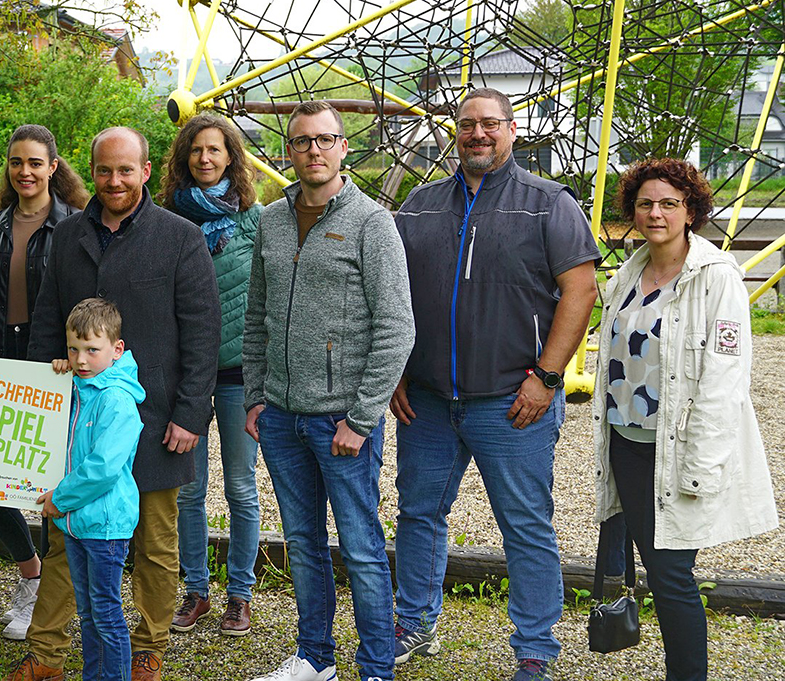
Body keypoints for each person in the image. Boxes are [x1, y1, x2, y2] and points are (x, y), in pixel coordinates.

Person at [390, 87, 600, 681]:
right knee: (418, 514)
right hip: (428, 400)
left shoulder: (547, 202)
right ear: (454, 132)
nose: (477, 134)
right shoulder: (421, 204)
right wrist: (399, 369)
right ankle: (415, 621)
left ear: (512, 130)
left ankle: (534, 647)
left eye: (490, 124)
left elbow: (580, 291)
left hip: (513, 401)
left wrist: (547, 377)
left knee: (525, 524)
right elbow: (393, 296)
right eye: (466, 124)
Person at [5, 126, 220, 681]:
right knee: (63, 538)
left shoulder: (180, 237)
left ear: (146, 172)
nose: (115, 181)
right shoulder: (69, 234)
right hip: (80, 420)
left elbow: (202, 334)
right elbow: (48, 322)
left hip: (156, 423)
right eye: (104, 171)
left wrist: (190, 415)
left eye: (126, 170)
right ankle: (45, 655)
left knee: (153, 543)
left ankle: (148, 649)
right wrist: (42, 395)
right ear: (90, 171)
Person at [242, 100, 414, 681]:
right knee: (302, 542)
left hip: (341, 419)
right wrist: (256, 397)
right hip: (283, 419)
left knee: (362, 547)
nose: (313, 150)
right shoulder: (270, 220)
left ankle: (375, 668)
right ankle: (315, 658)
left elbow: (397, 327)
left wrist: (361, 419)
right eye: (301, 141)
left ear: (344, 147)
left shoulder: (372, 223)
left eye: (325, 139)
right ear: (288, 151)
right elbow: (257, 316)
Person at [592, 158, 778, 681]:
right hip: (626, 442)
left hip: (673, 449)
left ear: (690, 211)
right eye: (646, 203)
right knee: (654, 567)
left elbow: (724, 380)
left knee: (672, 575)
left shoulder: (718, 279)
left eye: (669, 203)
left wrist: (700, 466)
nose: (656, 213)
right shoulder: (631, 271)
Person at [0, 124, 89, 640]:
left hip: (53, 365)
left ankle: (55, 600)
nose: (25, 172)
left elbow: (85, 302)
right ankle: (30, 569)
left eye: (35, 162)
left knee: (48, 482)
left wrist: (74, 359)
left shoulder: (75, 226)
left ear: (53, 167)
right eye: (17, 162)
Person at [160, 113, 262, 637]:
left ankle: (239, 595)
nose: (205, 158)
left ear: (231, 158)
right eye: (196, 150)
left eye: (215, 150)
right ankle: (197, 590)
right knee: (190, 491)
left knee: (242, 488)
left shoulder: (254, 219)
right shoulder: (166, 221)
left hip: (243, 376)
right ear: (184, 158)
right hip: (189, 378)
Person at [36, 298, 146, 681]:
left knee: (106, 613)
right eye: (73, 349)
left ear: (116, 350)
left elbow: (102, 469)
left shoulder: (117, 401)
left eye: (92, 350)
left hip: (104, 526)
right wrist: (55, 376)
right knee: (88, 613)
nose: (81, 359)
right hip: (77, 524)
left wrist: (60, 499)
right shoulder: (79, 388)